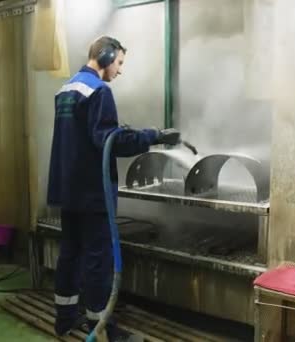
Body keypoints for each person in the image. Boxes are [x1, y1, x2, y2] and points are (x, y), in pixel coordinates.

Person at [47, 36, 180, 340]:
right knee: (99, 262)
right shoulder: (99, 91)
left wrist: (119, 130)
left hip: (68, 191)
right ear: (106, 56)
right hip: (93, 193)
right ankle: (102, 330)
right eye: (119, 62)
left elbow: (87, 136)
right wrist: (153, 136)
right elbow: (108, 142)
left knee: (70, 254)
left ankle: (65, 320)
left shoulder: (66, 90)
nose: (119, 71)